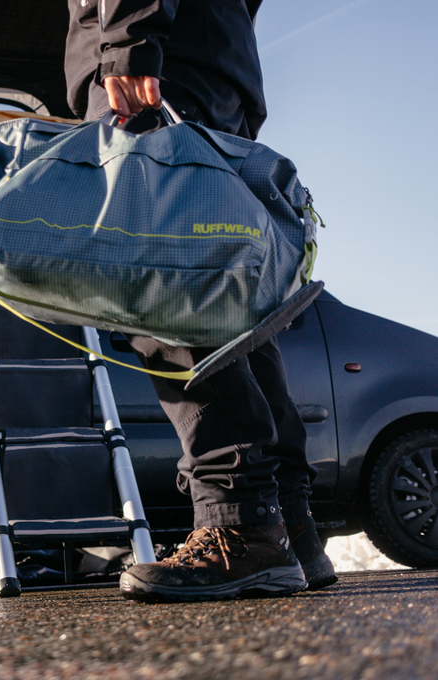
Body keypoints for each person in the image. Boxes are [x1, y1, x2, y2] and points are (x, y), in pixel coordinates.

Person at [65, 0, 338, 601]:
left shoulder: (137, 50)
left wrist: (126, 44)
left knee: (162, 292)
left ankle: (239, 526)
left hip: (159, 60)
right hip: (207, 57)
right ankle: (287, 523)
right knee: (228, 304)